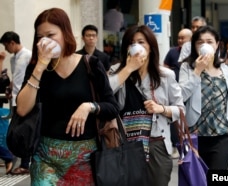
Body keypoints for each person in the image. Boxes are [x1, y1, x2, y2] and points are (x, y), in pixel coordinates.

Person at [16, 8, 119, 185]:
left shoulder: (91, 65)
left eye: (50, 35)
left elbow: (112, 107)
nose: (45, 41)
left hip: (85, 159)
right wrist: (40, 66)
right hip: (45, 158)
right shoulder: (36, 68)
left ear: (65, 33)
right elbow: (22, 108)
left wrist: (89, 107)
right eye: (40, 37)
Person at [108, 25, 185, 186]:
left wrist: (161, 109)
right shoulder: (117, 71)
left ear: (150, 47)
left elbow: (180, 110)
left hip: (156, 143)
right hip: (125, 144)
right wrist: (128, 68)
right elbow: (106, 91)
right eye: (131, 42)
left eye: (141, 42)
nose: (136, 46)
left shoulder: (165, 75)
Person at [179, 25, 228, 169]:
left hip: (224, 133)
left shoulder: (227, 68)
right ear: (194, 46)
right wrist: (197, 70)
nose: (205, 45)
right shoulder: (187, 67)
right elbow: (181, 96)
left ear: (217, 45)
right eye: (200, 42)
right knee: (198, 179)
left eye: (209, 41)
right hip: (196, 134)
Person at [0, 31, 31, 175]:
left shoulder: (28, 55)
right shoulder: (13, 60)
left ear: (12, 42)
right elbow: (15, 80)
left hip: (25, 100)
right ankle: (16, 160)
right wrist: (9, 90)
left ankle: (24, 164)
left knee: (22, 133)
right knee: (16, 133)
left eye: (6, 45)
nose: (6, 49)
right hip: (14, 99)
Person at [163, 28, 192, 159]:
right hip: (174, 90)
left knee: (188, 117)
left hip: (189, 90)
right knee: (175, 117)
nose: (180, 40)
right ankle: (176, 144)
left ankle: (190, 143)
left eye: (183, 38)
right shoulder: (172, 52)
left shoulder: (193, 53)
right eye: (179, 37)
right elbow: (165, 67)